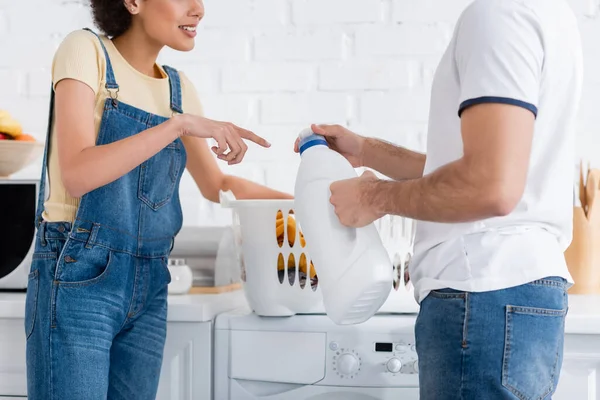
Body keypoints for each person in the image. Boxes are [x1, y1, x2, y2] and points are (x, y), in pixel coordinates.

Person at [299, 0, 583, 398]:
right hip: (519, 290)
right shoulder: (549, 14)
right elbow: (482, 168)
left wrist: (373, 197)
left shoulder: (498, 16)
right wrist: (366, 151)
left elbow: (489, 186)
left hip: (481, 293)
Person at [24, 0, 290, 398]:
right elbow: (78, 174)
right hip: (79, 271)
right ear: (133, 2)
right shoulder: (86, 52)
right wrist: (177, 125)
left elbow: (217, 185)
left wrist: (310, 203)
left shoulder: (178, 88)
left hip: (150, 281)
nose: (198, 9)